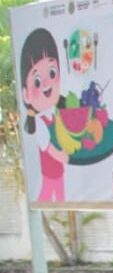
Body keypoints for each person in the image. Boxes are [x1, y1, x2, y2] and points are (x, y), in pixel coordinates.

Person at [19, 28, 68, 202]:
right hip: (50, 171)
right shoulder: (39, 122)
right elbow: (47, 147)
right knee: (47, 194)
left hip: (58, 171)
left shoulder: (55, 114)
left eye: (52, 73)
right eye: (37, 81)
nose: (46, 83)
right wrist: (61, 155)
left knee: (61, 197)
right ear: (26, 94)